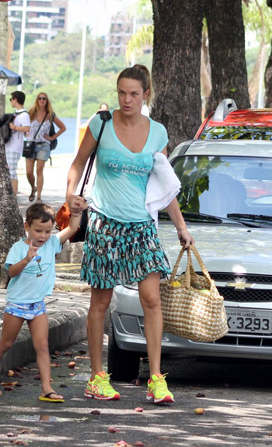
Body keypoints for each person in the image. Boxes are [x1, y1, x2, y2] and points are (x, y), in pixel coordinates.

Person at [65, 64, 194, 404]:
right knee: (101, 302)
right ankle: (97, 378)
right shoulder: (101, 124)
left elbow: (165, 186)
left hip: (141, 227)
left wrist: (181, 227)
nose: (126, 99)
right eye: (122, 92)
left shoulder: (158, 133)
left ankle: (156, 379)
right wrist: (70, 195)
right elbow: (78, 162)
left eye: (134, 93)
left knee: (152, 299)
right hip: (105, 223)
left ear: (146, 95)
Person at [0, 202, 82, 402]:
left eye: (47, 231)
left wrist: (76, 212)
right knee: (6, 343)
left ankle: (46, 388)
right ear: (27, 227)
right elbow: (11, 272)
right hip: (17, 304)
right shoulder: (18, 248)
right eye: (38, 231)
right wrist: (26, 260)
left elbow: (72, 228)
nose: (42, 236)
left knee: (42, 345)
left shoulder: (52, 243)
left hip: (38, 305)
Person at [26, 93, 66, 202]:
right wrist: (25, 133)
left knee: (39, 170)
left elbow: (63, 128)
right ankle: (33, 188)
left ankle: (38, 196)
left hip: (44, 145)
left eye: (44, 98)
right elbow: (23, 125)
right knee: (29, 172)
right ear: (37, 100)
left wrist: (52, 137)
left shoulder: (50, 115)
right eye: (40, 98)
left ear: (47, 101)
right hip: (30, 145)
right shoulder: (31, 112)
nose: (42, 100)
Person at [5, 91, 30, 196]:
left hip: (15, 147)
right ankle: (10, 193)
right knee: (8, 170)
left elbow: (27, 128)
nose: (11, 101)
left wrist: (14, 127)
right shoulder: (16, 114)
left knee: (12, 171)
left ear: (15, 99)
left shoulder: (24, 115)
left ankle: (13, 195)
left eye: (11, 99)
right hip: (9, 145)